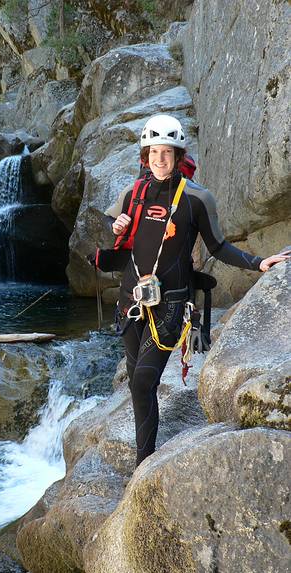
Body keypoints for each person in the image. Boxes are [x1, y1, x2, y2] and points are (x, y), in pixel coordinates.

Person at [105, 114, 290, 467]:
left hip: (171, 305)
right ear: (146, 156)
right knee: (135, 384)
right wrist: (115, 224)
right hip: (130, 299)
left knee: (144, 381)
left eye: (167, 152)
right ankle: (143, 463)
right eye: (154, 152)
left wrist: (259, 262)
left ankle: (144, 462)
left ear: (178, 155)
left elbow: (219, 247)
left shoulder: (197, 198)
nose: (160, 159)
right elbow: (110, 227)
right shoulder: (133, 193)